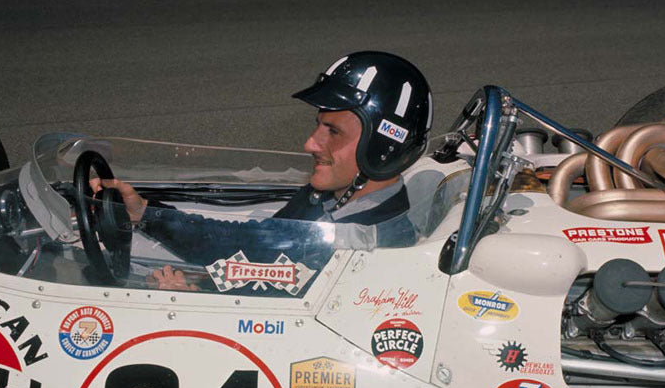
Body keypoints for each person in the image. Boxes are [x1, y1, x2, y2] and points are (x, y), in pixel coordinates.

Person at [92, 50, 433, 291]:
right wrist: (145, 213)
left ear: (383, 147)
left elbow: (279, 319)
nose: (310, 144)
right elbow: (255, 245)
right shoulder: (337, 199)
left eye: (333, 132)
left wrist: (198, 299)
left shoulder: (366, 248)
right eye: (319, 127)